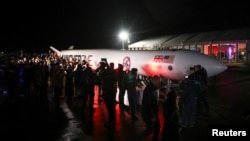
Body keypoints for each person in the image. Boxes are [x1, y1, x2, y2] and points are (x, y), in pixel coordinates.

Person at [140, 75, 161, 141]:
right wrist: (152, 116)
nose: (159, 83)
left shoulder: (152, 88)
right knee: (150, 130)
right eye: (158, 82)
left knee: (156, 127)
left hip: (151, 113)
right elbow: (147, 104)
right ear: (155, 81)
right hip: (149, 114)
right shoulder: (150, 90)